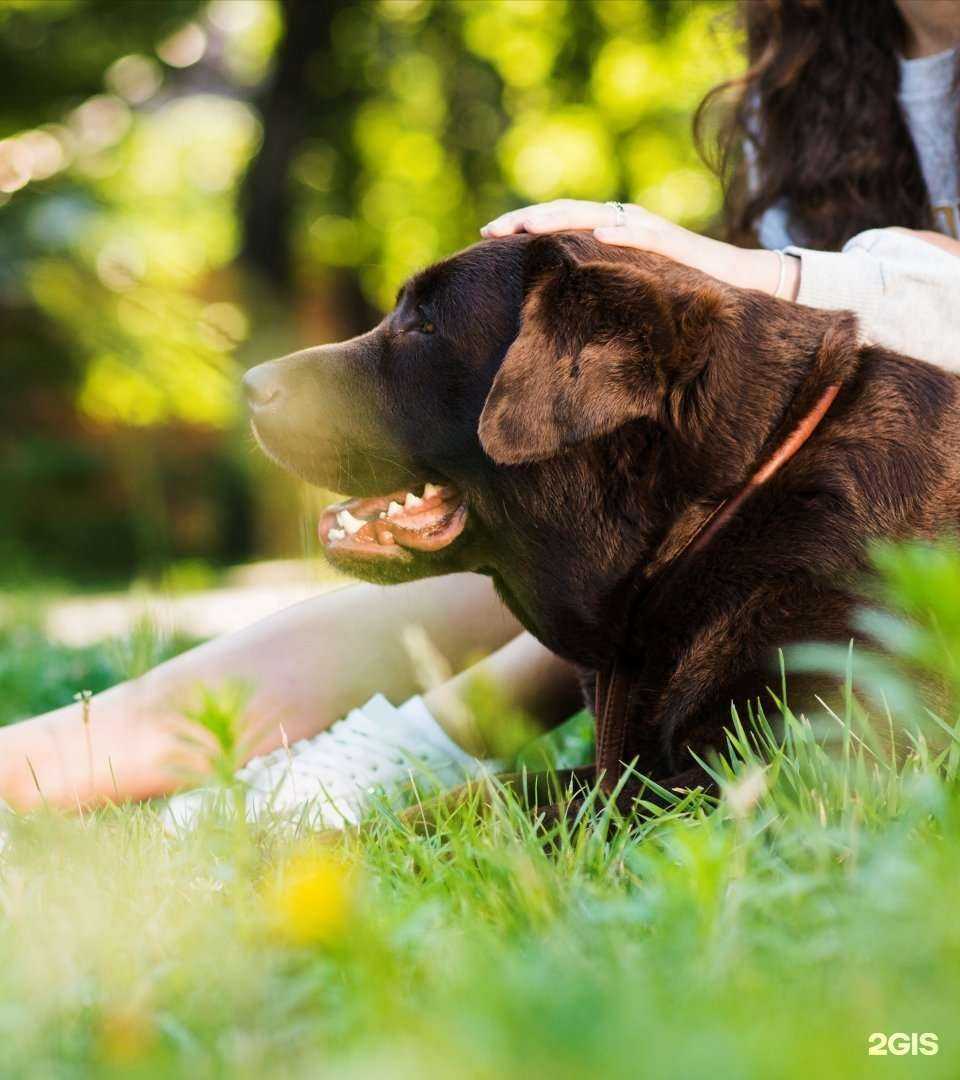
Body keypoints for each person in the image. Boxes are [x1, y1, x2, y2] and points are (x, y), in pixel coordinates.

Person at [5, 0, 960, 825]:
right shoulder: (802, 85)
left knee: (603, 551)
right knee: (527, 523)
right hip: (836, 515)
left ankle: (410, 754)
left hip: (907, 532)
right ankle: (31, 769)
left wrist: (727, 269)